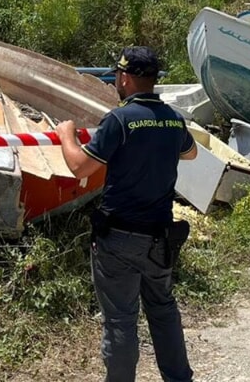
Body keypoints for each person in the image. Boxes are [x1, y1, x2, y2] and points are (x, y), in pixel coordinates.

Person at [56, 46, 199, 382]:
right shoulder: (173, 118)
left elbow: (79, 167)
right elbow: (190, 153)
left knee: (121, 320)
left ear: (125, 77)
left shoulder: (119, 120)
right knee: (163, 311)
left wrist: (67, 136)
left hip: (118, 239)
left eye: (118, 76)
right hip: (160, 239)